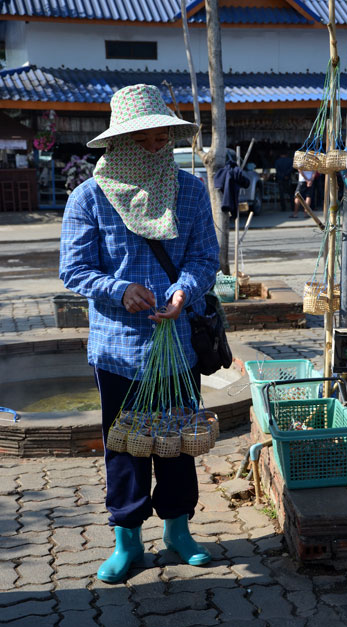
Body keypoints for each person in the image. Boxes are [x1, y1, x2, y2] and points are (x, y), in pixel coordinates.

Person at [59, 84, 220, 584]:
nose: (154, 150)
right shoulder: (89, 198)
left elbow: (204, 260)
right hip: (118, 350)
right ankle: (127, 541)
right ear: (118, 145)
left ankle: (178, 530)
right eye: (143, 141)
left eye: (161, 141)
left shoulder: (190, 191)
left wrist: (183, 293)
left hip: (178, 350)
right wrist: (119, 289)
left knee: (176, 442)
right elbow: (75, 268)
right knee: (125, 448)